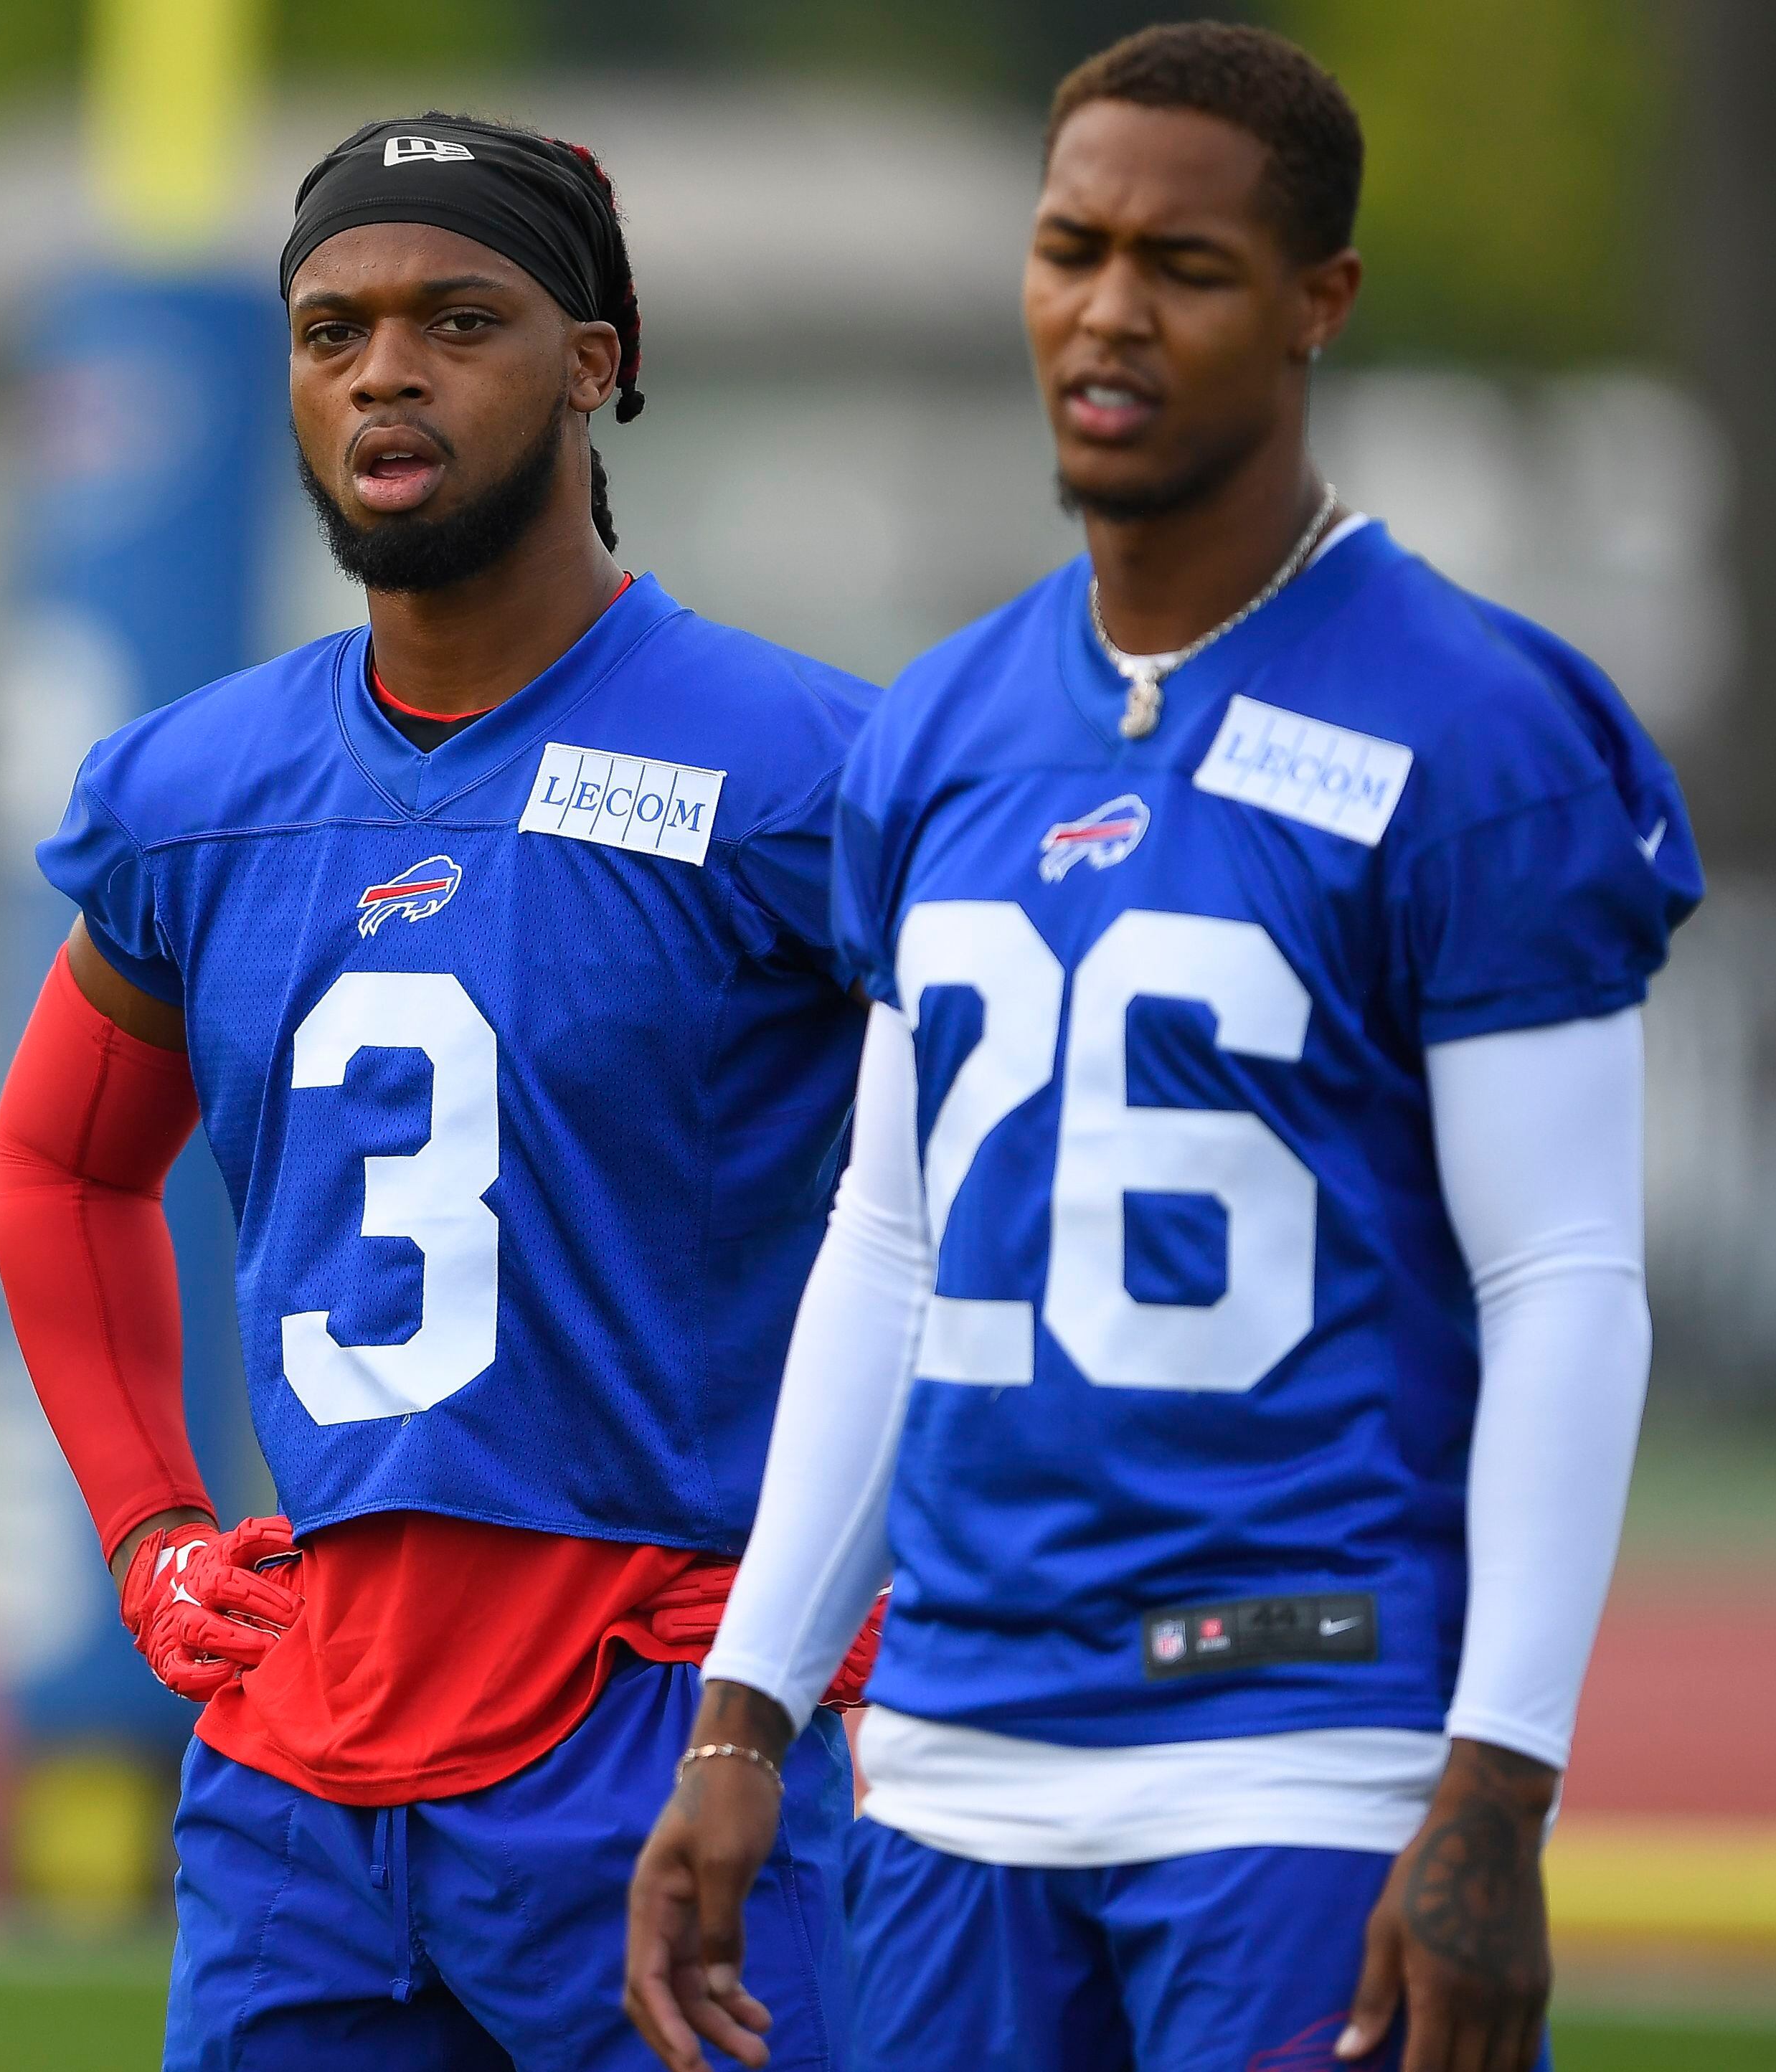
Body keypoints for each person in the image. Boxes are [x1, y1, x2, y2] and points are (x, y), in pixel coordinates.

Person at [625, 24, 1704, 2072]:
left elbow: (1561, 1279)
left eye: (1183, 266)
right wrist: (748, 1701)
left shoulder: (1470, 729)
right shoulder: (939, 732)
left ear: (1319, 303)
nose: (1109, 310)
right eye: (1069, 247)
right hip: (949, 1749)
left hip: (1302, 1742)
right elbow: (892, 1237)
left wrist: (1499, 1782)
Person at [0, 113, 880, 2072]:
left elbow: (1003, 1182)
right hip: (303, 1757)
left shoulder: (804, 770)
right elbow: (56, 1166)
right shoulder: (197, 790)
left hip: (664, 1721)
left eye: (454, 316)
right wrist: (150, 1531)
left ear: (594, 360)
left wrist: (878, 1584)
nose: (383, 367)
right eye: (330, 328)